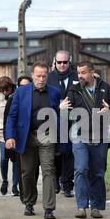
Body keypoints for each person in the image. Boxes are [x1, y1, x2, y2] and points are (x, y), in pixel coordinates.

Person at [60, 61, 110, 219]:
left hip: (100, 136)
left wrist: (109, 111)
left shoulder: (105, 87)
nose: (80, 76)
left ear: (92, 72)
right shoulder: (73, 90)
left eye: (83, 72)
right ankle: (81, 206)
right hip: (79, 136)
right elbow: (66, 113)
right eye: (78, 73)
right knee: (81, 169)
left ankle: (96, 206)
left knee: (98, 172)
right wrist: (61, 110)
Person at [5, 62, 61, 219]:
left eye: (44, 76)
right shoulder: (21, 92)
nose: (41, 79)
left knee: (49, 171)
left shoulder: (55, 93)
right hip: (27, 137)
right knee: (27, 172)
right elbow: (12, 116)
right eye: (38, 76)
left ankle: (49, 208)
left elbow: (59, 114)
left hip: (47, 136)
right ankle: (29, 202)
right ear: (32, 76)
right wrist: (10, 136)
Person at [47, 50, 79, 198]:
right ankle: (56, 180)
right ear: (55, 61)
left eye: (65, 62)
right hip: (54, 120)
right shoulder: (49, 78)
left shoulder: (77, 76)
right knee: (56, 153)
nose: (62, 65)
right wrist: (58, 107)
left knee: (70, 153)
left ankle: (67, 184)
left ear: (69, 61)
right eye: (59, 62)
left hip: (74, 120)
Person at [0, 76, 19, 196]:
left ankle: (15, 185)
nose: (5, 92)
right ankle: (5, 180)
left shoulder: (17, 94)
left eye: (7, 89)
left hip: (15, 132)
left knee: (16, 159)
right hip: (2, 132)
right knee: (4, 158)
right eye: (2, 89)